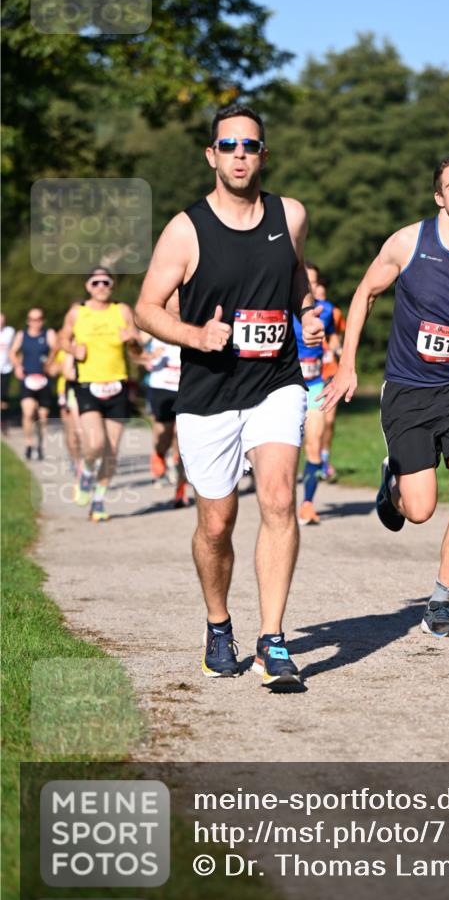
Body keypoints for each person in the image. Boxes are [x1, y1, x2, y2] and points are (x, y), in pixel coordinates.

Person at [135, 104, 324, 687]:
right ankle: (219, 623)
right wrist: (195, 334)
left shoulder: (289, 215)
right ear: (211, 155)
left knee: (277, 499)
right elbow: (144, 308)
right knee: (217, 522)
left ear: (264, 154)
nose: (240, 154)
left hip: (276, 381)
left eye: (251, 145)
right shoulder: (185, 229)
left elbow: (294, 277)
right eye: (229, 145)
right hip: (208, 390)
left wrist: (306, 312)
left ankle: (273, 638)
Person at [322, 154, 449, 638]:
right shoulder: (408, 242)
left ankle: (440, 601)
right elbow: (365, 293)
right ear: (439, 196)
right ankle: (393, 482)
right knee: (420, 510)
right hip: (409, 389)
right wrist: (347, 364)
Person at [61, 267, 142, 522]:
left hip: (117, 385)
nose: (101, 286)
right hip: (88, 385)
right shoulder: (78, 312)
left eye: (106, 282)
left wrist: (131, 339)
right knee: (94, 444)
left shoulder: (122, 310)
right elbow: (62, 338)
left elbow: (136, 347)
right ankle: (85, 471)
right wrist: (73, 350)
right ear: (88, 286)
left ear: (112, 285)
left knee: (111, 450)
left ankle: (98, 500)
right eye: (96, 282)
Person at [294, 263, 339, 525]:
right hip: (283, 388)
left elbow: (332, 336)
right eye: (304, 282)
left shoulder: (327, 310)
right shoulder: (284, 310)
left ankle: (307, 504)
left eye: (313, 282)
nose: (309, 287)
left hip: (315, 385)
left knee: (313, 446)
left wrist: (334, 349)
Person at [137, 292, 191, 509]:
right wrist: (147, 358)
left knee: (183, 437)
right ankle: (159, 452)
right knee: (163, 434)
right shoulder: (155, 324)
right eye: (174, 297)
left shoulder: (193, 320)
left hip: (186, 387)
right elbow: (134, 350)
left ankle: (181, 491)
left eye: (181, 296)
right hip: (161, 387)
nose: (178, 302)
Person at [9, 308, 57, 459]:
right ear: (28, 320)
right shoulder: (21, 335)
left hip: (44, 379)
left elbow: (56, 349)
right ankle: (29, 443)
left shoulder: (48, 334)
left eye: (39, 319)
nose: (36, 322)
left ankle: (40, 444)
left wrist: (50, 362)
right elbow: (12, 352)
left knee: (43, 416)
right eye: (33, 319)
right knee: (28, 412)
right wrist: (17, 366)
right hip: (28, 378)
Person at [316, 274, 346, 482]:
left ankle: (324, 459)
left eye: (322, 288)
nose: (320, 292)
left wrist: (341, 351)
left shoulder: (333, 312)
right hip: (308, 373)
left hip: (329, 372)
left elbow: (338, 336)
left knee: (329, 421)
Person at [45, 330, 81, 475]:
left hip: (89, 389)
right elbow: (50, 370)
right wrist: (61, 365)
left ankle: (87, 462)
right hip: (66, 391)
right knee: (71, 430)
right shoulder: (62, 345)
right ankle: (76, 461)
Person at [0, 313, 16, 435]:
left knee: (3, 397)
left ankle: (4, 422)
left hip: (5, 369)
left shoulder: (10, 332)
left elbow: (14, 349)